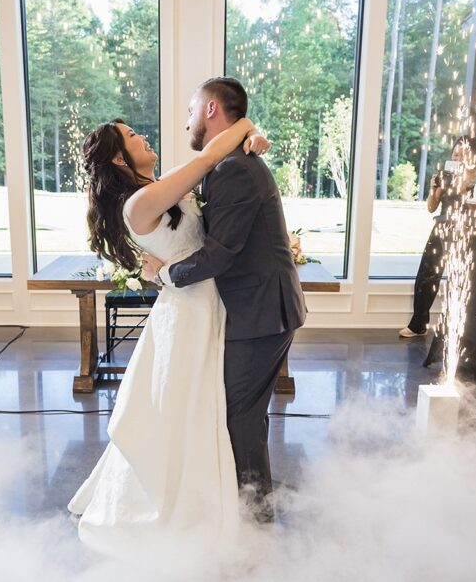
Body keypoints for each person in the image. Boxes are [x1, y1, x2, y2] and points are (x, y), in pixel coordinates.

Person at [67, 86, 272, 557]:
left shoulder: (159, 190)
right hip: (188, 314)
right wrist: (247, 127)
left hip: (209, 304)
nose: (143, 136)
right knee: (190, 410)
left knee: (208, 409)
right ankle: (187, 504)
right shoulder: (138, 204)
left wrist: (252, 136)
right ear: (119, 160)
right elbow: (205, 162)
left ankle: (220, 497)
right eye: (132, 135)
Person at [141, 77, 306, 524]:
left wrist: (167, 273)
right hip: (256, 308)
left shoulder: (235, 168)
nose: (187, 120)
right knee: (244, 414)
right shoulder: (226, 162)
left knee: (240, 418)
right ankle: (251, 506)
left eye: (192, 110)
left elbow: (221, 253)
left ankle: (255, 520)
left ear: (212, 110)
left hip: (260, 313)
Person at [399, 135, 476, 338]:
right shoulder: (442, 174)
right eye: (455, 153)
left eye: (462, 154)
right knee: (426, 276)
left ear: (474, 155)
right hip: (442, 227)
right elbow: (431, 207)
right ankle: (418, 324)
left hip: (466, 230)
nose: (458, 156)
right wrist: (436, 192)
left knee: (462, 278)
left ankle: (462, 326)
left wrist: (465, 187)